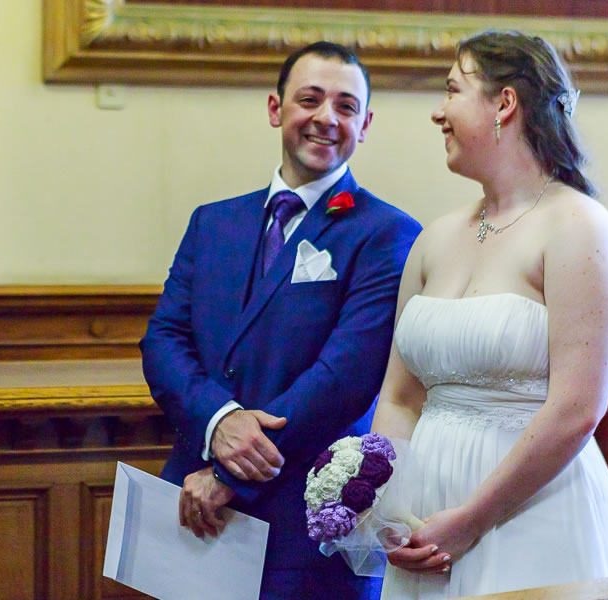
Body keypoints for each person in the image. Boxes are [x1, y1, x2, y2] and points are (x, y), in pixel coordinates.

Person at [140, 41, 421, 600]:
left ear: (364, 125)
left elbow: (346, 375)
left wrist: (231, 474)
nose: (326, 118)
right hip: (197, 503)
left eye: (345, 106)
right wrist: (218, 422)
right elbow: (163, 341)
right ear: (276, 109)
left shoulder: (388, 233)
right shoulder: (212, 222)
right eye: (309, 100)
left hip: (305, 518)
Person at [370, 30, 608, 598]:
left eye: (452, 90)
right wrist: (388, 505)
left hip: (529, 513)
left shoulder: (578, 226)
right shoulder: (433, 239)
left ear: (504, 103)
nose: (438, 112)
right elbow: (399, 397)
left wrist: (472, 519)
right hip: (424, 520)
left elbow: (577, 408)